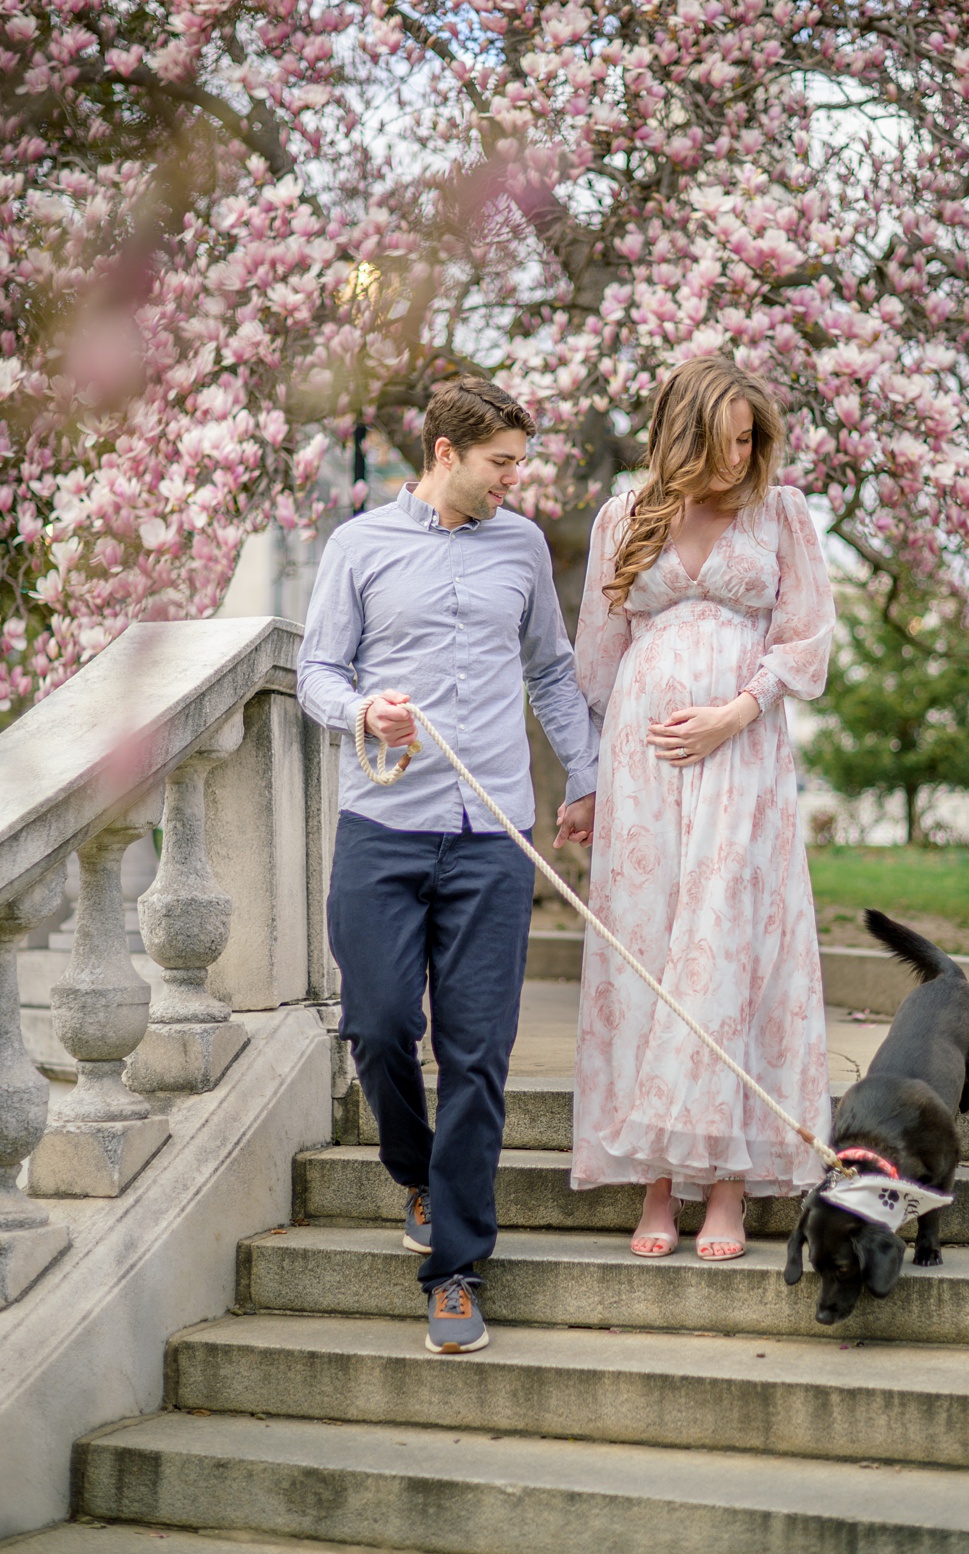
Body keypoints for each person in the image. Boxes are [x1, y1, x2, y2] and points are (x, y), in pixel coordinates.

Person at [298, 378, 601, 1356]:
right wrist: (363, 713)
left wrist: (584, 778)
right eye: (501, 462)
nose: (518, 478)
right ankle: (419, 1174)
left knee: (476, 1054)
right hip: (384, 822)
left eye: (522, 459)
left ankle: (458, 1269)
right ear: (443, 454)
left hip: (493, 833)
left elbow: (550, 667)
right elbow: (315, 673)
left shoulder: (520, 547)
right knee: (381, 1028)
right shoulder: (359, 546)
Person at [570, 357, 836, 1261]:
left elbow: (808, 639)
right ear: (682, 434)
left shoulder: (779, 514)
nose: (740, 457)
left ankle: (726, 1184)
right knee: (645, 948)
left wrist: (735, 712)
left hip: (743, 759)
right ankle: (656, 1181)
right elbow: (597, 663)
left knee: (726, 945)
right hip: (642, 767)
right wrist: (587, 788)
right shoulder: (624, 518)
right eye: (725, 441)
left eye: (750, 441)